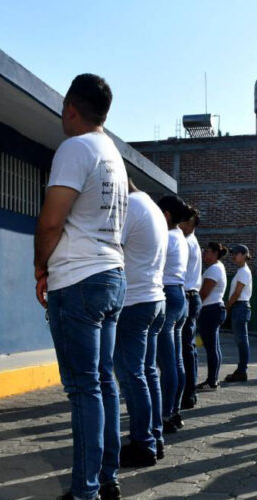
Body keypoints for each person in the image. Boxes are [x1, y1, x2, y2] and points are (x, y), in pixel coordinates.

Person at [34, 74, 128, 500]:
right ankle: (106, 478)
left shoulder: (75, 148)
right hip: (112, 275)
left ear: (71, 107)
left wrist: (41, 269)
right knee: (103, 381)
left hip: (78, 279)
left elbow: (52, 220)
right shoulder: (113, 154)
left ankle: (85, 491)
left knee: (83, 388)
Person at [113, 179, 168, 468]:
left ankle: (142, 444)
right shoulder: (152, 207)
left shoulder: (130, 206)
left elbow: (111, 249)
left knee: (132, 375)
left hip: (134, 304)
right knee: (147, 373)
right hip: (154, 300)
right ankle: (154, 438)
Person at [156, 195, 192, 435]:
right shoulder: (181, 235)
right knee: (176, 360)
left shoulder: (166, 236)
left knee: (167, 362)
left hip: (168, 294)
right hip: (180, 295)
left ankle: (166, 414)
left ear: (166, 214)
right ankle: (174, 410)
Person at [196, 242, 228, 392]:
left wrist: (194, 309)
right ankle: (213, 379)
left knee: (211, 347)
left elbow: (204, 293)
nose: (204, 254)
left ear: (215, 253)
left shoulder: (214, 269)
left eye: (207, 251)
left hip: (210, 310)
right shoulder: (217, 267)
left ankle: (212, 381)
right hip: (214, 309)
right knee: (213, 346)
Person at [179, 208, 202, 407]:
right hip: (192, 296)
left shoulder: (186, 242)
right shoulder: (192, 241)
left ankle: (187, 393)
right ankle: (189, 390)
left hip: (187, 295)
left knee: (185, 347)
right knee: (189, 347)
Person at [225, 244, 253, 382]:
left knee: (242, 341)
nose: (233, 256)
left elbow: (237, 294)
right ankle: (241, 370)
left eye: (235, 253)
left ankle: (242, 371)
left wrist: (227, 307)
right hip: (240, 307)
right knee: (241, 340)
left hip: (240, 307)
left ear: (243, 254)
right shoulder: (242, 271)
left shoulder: (243, 272)